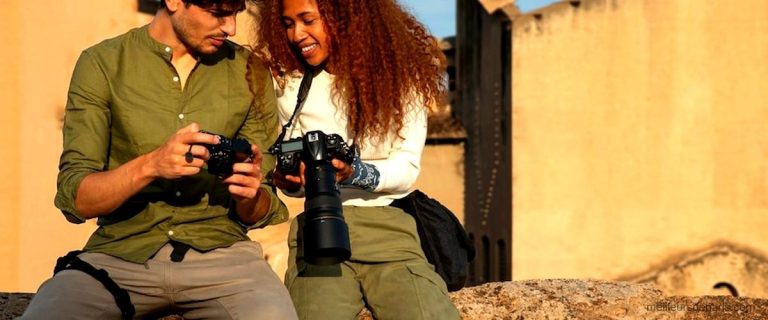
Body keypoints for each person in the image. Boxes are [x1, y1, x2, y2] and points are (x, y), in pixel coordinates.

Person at [21, 0, 298, 319]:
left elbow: (261, 210)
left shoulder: (250, 71)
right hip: (118, 255)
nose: (231, 28)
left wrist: (249, 195)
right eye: (218, 14)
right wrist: (151, 165)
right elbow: (76, 198)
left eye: (235, 14)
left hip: (225, 257)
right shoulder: (103, 63)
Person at [251, 0, 460, 319]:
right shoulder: (289, 85)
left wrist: (355, 173)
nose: (296, 35)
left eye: (308, 20)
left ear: (345, 18)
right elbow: (295, 183)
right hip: (318, 231)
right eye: (288, 24)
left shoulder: (402, 78)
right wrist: (290, 181)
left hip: (388, 227)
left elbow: (406, 169)